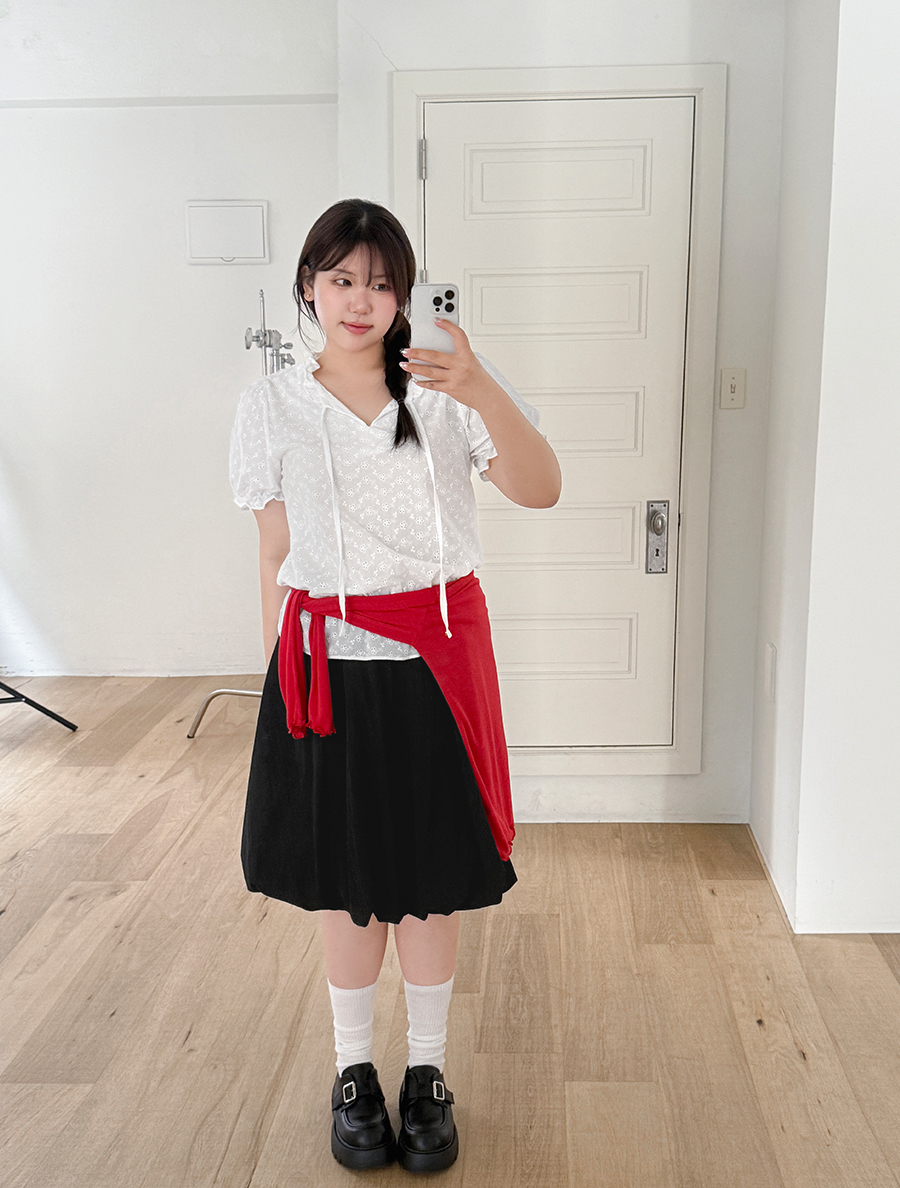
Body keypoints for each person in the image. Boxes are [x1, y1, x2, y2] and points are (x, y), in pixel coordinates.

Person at [229, 198, 561, 1174]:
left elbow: (541, 487)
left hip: (435, 668)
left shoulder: (449, 391)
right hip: (324, 669)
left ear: (405, 295)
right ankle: (351, 1074)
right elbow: (276, 550)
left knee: (427, 885)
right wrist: (278, 674)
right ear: (309, 287)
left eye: (380, 283)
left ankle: (426, 1075)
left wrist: (483, 385)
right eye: (342, 280)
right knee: (347, 887)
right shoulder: (273, 404)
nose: (360, 300)